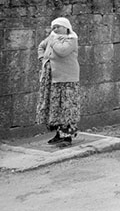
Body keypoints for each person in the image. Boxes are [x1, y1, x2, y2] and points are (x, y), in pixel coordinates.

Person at [36, 17, 81, 146]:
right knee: (55, 105)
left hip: (67, 78)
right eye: (53, 27)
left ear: (66, 27)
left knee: (66, 105)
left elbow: (62, 51)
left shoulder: (71, 39)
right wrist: (43, 59)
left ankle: (67, 136)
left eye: (57, 27)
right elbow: (41, 46)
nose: (55, 29)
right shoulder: (51, 38)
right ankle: (58, 134)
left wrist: (53, 40)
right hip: (52, 77)